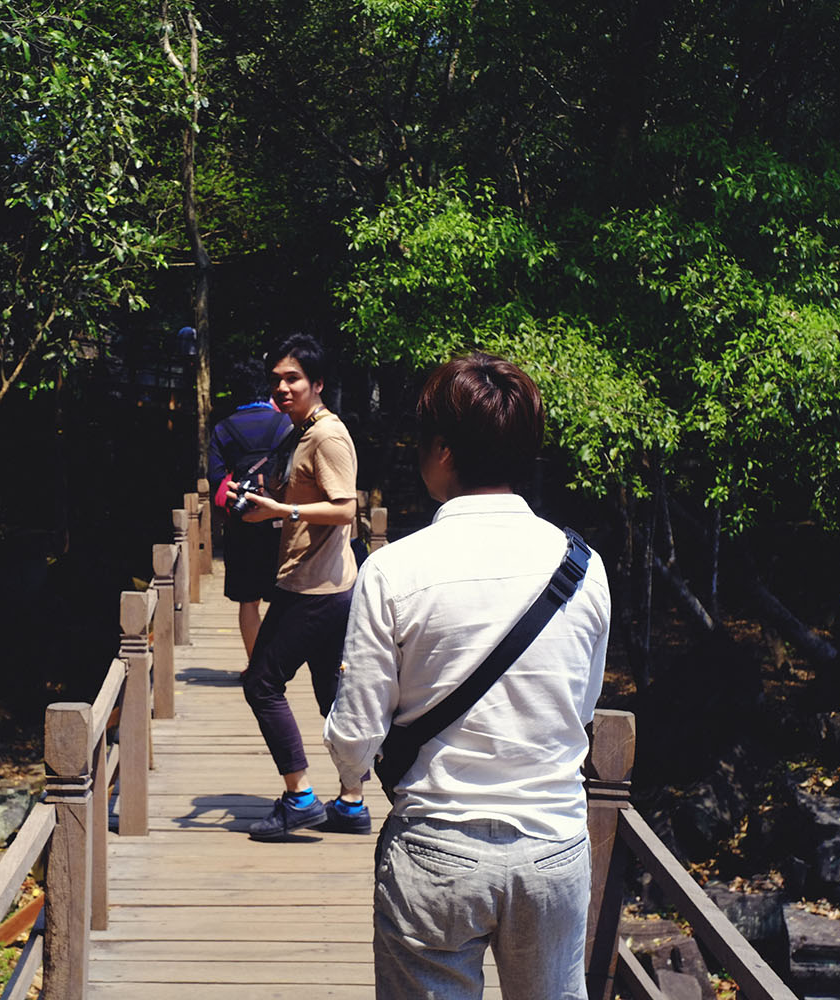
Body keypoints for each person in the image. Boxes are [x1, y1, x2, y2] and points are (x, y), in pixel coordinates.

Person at [323, 352, 611, 1000]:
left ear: (444, 450)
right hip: (554, 847)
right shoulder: (584, 568)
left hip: (436, 848)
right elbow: (582, 707)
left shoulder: (393, 571)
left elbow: (355, 736)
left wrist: (351, 776)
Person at [227, 333, 369, 841]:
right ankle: (351, 802)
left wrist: (283, 510)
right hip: (324, 585)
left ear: (318, 383)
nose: (283, 388)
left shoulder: (326, 436)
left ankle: (300, 797)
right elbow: (305, 493)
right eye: (277, 380)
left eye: (294, 379)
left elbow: (345, 508)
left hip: (313, 588)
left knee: (261, 683)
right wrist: (261, 501)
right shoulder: (301, 431)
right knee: (332, 694)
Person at [207, 360, 295, 660]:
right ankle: (277, 664)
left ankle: (255, 665)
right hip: (281, 517)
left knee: (248, 599)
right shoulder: (287, 423)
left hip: (242, 520)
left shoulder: (223, 429)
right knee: (284, 596)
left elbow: (215, 478)